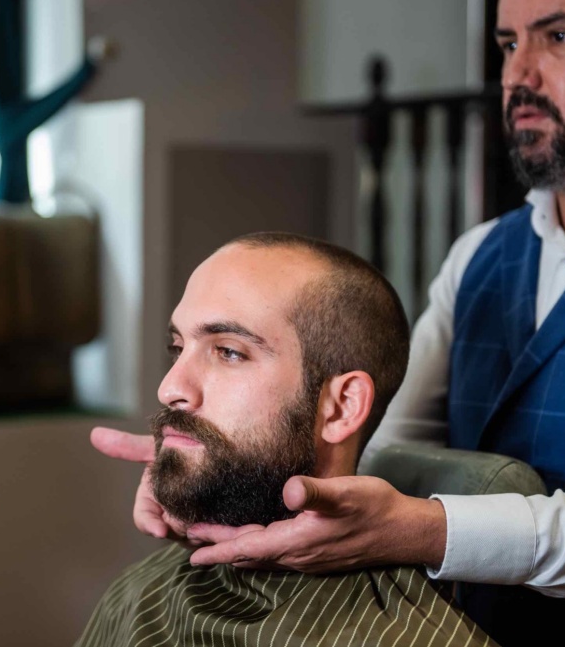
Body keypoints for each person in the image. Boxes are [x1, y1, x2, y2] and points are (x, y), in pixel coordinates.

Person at [95, 0, 565, 644]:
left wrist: (430, 529)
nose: (517, 74)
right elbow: (360, 447)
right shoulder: (480, 256)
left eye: (557, 38)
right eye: (507, 44)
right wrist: (211, 461)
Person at [77, 233, 493, 647]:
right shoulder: (140, 594)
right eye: (178, 347)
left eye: (228, 352)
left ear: (342, 406)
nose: (169, 388)